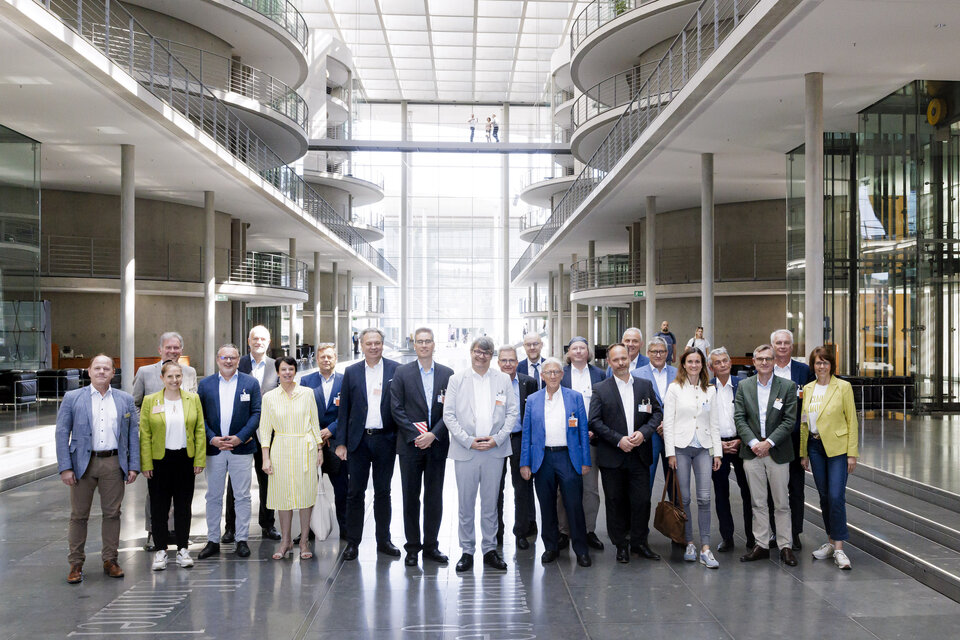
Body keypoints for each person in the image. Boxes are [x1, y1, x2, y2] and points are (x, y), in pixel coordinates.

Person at [56, 355, 139, 584]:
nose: (102, 372)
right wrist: (65, 467)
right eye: (97, 368)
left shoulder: (124, 399)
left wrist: (134, 465)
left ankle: (110, 560)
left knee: (112, 514)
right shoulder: (73, 398)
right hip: (82, 465)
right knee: (79, 515)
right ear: (89, 371)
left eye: (106, 368)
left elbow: (133, 434)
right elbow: (62, 433)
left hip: (113, 463)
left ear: (113, 373)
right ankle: (76, 563)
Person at [443, 336, 518, 572]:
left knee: (490, 505)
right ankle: (467, 551)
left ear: (491, 355)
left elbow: (512, 413)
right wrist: (468, 441)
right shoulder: (457, 379)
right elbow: (449, 415)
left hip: (494, 451)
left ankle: (489, 550)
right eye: (478, 351)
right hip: (467, 450)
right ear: (471, 352)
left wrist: (497, 439)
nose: (481, 356)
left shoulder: (503, 380)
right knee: (465, 505)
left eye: (486, 353)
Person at [589, 343, 661, 563]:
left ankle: (639, 542)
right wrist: (618, 440)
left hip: (639, 454)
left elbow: (657, 413)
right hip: (613, 455)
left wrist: (644, 433)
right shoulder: (601, 389)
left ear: (629, 358)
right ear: (609, 363)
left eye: (624, 358)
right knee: (615, 501)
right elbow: (594, 421)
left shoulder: (645, 385)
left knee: (642, 501)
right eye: (616, 359)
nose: (621, 363)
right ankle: (621, 544)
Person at [334, 327, 401, 561]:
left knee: (384, 492)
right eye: (369, 343)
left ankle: (384, 540)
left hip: (386, 439)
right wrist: (340, 443)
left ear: (383, 344)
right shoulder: (351, 372)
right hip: (358, 442)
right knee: (355, 493)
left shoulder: (396, 370)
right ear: (361, 345)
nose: (374, 347)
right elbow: (344, 411)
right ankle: (353, 542)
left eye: (378, 343)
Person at [389, 327, 454, 566]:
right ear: (414, 345)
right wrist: (418, 435)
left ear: (434, 344)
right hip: (410, 446)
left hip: (436, 445)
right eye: (420, 341)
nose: (424, 345)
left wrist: (433, 434)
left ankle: (431, 547)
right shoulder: (402, 372)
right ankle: (413, 548)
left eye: (428, 341)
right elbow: (396, 408)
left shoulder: (448, 374)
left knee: (434, 497)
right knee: (410, 498)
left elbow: (451, 410)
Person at [520, 358, 592, 567]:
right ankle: (551, 547)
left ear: (562, 375)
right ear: (542, 376)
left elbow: (582, 432)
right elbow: (527, 434)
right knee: (547, 505)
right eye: (548, 372)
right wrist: (525, 463)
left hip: (568, 458)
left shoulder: (574, 398)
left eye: (556, 372)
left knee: (574, 505)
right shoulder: (533, 400)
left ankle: (581, 550)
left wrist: (585, 461)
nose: (552, 376)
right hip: (542, 459)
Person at [132, 331, 198, 551]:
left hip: (181, 445)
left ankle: (178, 534)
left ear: (181, 349)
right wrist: (148, 422)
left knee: (181, 497)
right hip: (157, 445)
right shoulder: (145, 372)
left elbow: (193, 407)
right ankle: (154, 533)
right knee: (156, 495)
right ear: (160, 350)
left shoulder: (189, 372)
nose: (172, 351)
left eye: (176, 347)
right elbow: (135, 403)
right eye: (168, 347)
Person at [197, 344, 263, 560]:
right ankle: (213, 540)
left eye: (232, 358)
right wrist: (212, 438)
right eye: (224, 357)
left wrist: (240, 437)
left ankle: (242, 539)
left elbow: (256, 413)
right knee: (213, 496)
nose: (228, 361)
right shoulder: (205, 385)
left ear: (238, 360)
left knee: (243, 496)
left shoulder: (250, 383)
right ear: (218, 359)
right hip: (214, 449)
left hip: (241, 448)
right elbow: (200, 417)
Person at [735, 344, 799, 567]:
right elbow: (739, 418)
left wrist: (768, 443)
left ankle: (785, 546)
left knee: (782, 503)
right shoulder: (744, 386)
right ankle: (761, 544)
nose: (764, 362)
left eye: (768, 359)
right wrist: (754, 443)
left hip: (778, 452)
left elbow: (790, 421)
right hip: (752, 453)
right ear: (753, 361)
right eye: (760, 359)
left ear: (774, 361)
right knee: (758, 502)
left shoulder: (788, 386)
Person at [139, 361, 206, 571]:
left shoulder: (192, 399)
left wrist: (199, 460)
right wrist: (146, 463)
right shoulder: (151, 401)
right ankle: (160, 550)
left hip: (185, 460)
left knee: (183, 507)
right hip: (159, 461)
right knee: (159, 508)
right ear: (162, 378)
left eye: (178, 376)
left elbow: (200, 431)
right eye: (170, 377)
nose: (175, 380)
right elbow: (145, 434)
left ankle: (182, 549)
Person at [663, 347, 723, 569]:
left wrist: (718, 452)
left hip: (703, 448)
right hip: (681, 448)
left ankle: (705, 547)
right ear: (683, 364)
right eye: (690, 361)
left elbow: (714, 423)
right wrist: (670, 453)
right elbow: (668, 422)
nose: (694, 365)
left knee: (705, 498)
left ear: (703, 364)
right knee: (685, 498)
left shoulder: (710, 390)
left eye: (698, 361)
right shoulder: (675, 388)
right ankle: (689, 542)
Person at [259, 356, 323, 560]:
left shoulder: (307, 393)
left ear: (296, 371)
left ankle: (304, 541)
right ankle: (285, 541)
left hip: (305, 448)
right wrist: (265, 457)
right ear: (277, 372)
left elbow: (314, 422)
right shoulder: (269, 397)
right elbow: (265, 428)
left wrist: (320, 448)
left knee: (305, 495)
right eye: (283, 369)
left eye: (291, 369)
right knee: (283, 497)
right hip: (281, 448)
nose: (287, 373)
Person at [800, 346, 858, 570]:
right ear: (812, 365)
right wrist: (803, 452)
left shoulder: (843, 387)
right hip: (814, 447)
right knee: (824, 497)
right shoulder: (808, 388)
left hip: (837, 449)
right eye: (817, 362)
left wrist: (852, 453)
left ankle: (840, 548)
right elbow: (805, 422)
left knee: (835, 496)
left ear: (832, 365)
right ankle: (831, 541)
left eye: (825, 362)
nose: (821, 366)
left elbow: (852, 420)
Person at [228, 325, 281, 542]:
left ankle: (268, 525)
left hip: (267, 435)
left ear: (268, 342)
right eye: (255, 338)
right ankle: (230, 528)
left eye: (263, 339)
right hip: (241, 434)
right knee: (235, 483)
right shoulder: (236, 365)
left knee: (267, 481)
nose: (259, 342)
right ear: (248, 341)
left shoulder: (276, 366)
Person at [558, 337, 607, 552]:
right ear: (569, 352)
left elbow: (604, 406)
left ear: (588, 352)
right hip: (564, 441)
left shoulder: (599, 374)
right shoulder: (560, 374)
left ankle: (588, 530)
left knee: (590, 489)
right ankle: (563, 531)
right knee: (563, 488)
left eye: (582, 348)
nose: (578, 352)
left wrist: (593, 430)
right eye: (574, 348)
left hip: (592, 440)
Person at [770, 328, 815, 550]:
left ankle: (794, 532)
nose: (782, 346)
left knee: (796, 488)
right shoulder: (765, 367)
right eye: (778, 343)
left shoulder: (803, 371)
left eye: (786, 343)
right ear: (772, 346)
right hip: (770, 439)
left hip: (796, 438)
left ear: (792, 346)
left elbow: (812, 403)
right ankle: (774, 532)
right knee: (772, 488)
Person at [708, 347, 755, 552]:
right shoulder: (706, 388)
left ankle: (752, 537)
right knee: (721, 493)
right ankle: (727, 537)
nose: (722, 365)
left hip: (741, 444)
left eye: (725, 361)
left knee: (749, 492)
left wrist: (740, 440)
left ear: (730, 363)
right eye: (717, 362)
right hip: (718, 448)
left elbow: (752, 417)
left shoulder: (743, 385)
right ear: (711, 367)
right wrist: (717, 445)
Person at [495, 344, 539, 549]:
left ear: (517, 362)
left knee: (522, 487)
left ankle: (521, 531)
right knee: (495, 488)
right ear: (498, 362)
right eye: (503, 360)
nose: (507, 364)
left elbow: (534, 413)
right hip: (496, 441)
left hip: (520, 440)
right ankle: (497, 532)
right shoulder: (491, 383)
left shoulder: (528, 382)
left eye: (511, 360)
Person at [300, 343, 346, 534]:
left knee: (342, 489)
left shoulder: (345, 381)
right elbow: (302, 410)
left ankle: (345, 528)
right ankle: (308, 530)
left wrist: (331, 430)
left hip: (337, 443)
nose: (326, 360)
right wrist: (318, 432)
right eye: (322, 357)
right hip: (312, 442)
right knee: (309, 489)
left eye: (330, 357)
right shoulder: (306, 381)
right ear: (317, 359)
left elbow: (348, 410)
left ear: (335, 358)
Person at [632, 337, 677, 492]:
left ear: (667, 353)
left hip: (673, 434)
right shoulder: (636, 374)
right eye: (654, 351)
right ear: (648, 353)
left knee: (674, 481)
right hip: (649, 435)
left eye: (662, 351)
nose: (658, 355)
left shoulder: (678, 374)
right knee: (645, 481)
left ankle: (676, 515)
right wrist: (656, 424)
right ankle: (642, 515)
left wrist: (668, 424)